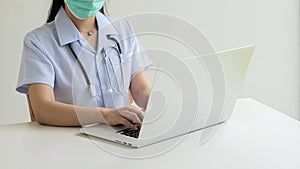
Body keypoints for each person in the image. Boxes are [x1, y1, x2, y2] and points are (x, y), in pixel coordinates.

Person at [16, 0, 152, 130]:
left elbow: (141, 90)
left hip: (121, 134)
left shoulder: (122, 29)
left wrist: (161, 105)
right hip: (69, 140)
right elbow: (43, 109)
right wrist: (104, 115)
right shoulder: (38, 42)